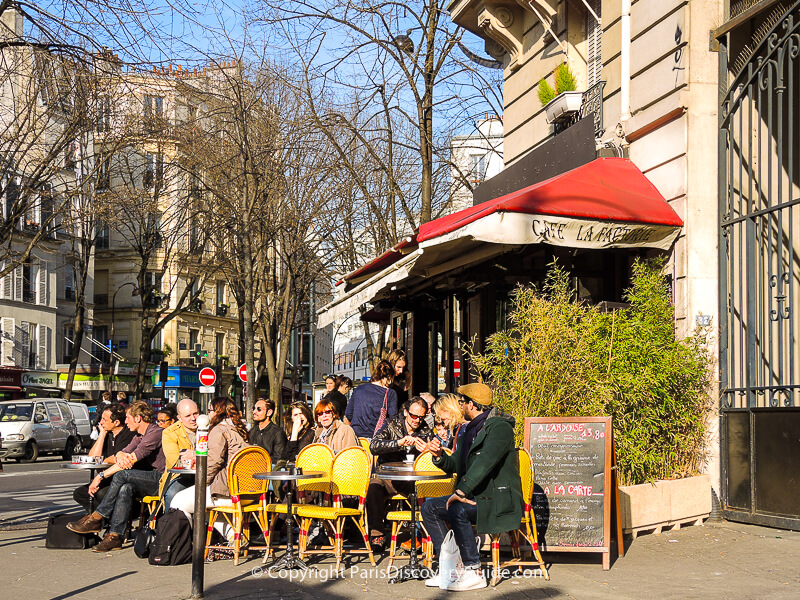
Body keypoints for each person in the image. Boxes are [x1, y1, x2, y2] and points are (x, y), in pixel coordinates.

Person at [421, 383, 522, 591]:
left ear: (472, 405)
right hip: (477, 495)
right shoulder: (470, 430)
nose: (461, 406)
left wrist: (460, 491)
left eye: (463, 402)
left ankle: (473, 571)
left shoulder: (499, 428)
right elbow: (457, 464)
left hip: (495, 498)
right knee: (429, 508)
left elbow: (485, 463)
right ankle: (448, 568)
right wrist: (439, 456)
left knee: (458, 509)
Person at [67, 401, 165, 553]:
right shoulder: (139, 436)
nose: (126, 422)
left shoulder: (155, 433)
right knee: (125, 488)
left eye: (127, 418)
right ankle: (115, 536)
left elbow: (130, 459)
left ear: (138, 418)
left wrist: (99, 476)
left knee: (122, 475)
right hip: (149, 478)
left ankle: (97, 518)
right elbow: (123, 455)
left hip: (162, 479)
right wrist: (119, 454)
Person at [171, 397, 250, 541]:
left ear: (217, 412)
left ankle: (188, 546)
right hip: (248, 492)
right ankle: (235, 538)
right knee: (204, 508)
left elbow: (214, 461)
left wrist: (201, 483)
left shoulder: (220, 430)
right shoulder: (240, 429)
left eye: (210, 410)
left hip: (228, 492)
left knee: (178, 501)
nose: (207, 414)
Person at [366, 397, 433, 550]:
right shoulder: (392, 425)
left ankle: (420, 536)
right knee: (373, 487)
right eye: (414, 416)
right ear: (405, 412)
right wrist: (398, 443)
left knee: (424, 495)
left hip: (411, 479)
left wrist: (428, 450)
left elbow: (434, 454)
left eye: (421, 417)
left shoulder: (425, 430)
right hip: (388, 477)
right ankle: (377, 534)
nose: (417, 420)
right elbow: (374, 446)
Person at [72, 402, 137, 514]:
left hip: (122, 479)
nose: (101, 422)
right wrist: (102, 435)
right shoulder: (107, 434)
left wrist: (105, 460)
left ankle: (105, 519)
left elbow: (118, 458)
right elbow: (93, 458)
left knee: (102, 494)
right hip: (107, 478)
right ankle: (100, 519)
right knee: (80, 493)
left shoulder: (129, 434)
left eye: (105, 420)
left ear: (116, 422)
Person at [159, 399, 199, 509]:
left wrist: (194, 454)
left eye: (195, 414)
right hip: (180, 476)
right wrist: (200, 456)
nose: (193, 418)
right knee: (172, 493)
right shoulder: (169, 433)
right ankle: (170, 524)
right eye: (188, 416)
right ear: (179, 418)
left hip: (206, 475)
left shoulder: (207, 428)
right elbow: (176, 461)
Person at [345, 359, 398, 439]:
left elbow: (348, 413)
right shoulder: (390, 393)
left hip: (355, 437)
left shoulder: (359, 388)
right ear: (389, 377)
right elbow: (392, 420)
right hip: (376, 439)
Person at [249, 398, 287, 465]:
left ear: (269, 412)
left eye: (259, 409)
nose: (254, 412)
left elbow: (278, 459)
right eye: (253, 408)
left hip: (269, 471)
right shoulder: (252, 431)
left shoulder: (278, 433)